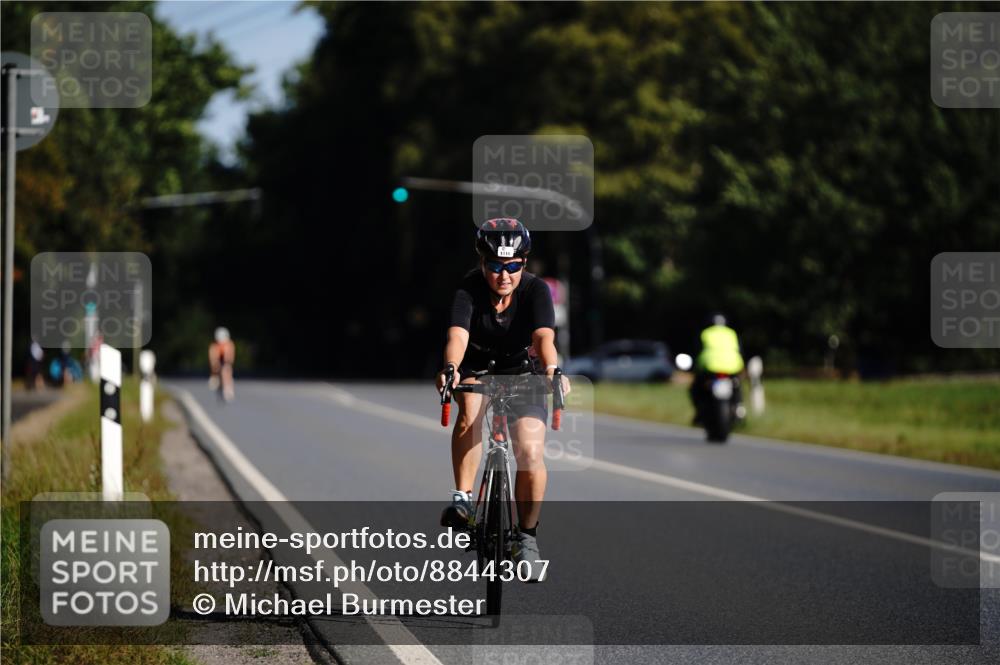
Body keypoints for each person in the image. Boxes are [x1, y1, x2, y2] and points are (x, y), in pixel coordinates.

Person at [436, 217, 569, 582]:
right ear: (482, 263)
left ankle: (526, 536)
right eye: (495, 265)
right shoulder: (468, 289)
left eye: (512, 266)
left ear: (523, 264)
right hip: (477, 368)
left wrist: (552, 369)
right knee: (469, 414)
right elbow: (458, 336)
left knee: (529, 450)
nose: (504, 275)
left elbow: (544, 337)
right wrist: (451, 367)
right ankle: (463, 500)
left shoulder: (536, 290)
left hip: (521, 371)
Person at [690, 313, 745, 422]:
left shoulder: (705, 333)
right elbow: (740, 351)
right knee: (737, 386)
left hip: (710, 367)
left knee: (696, 388)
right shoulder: (731, 333)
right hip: (732, 366)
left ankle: (699, 411)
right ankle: (739, 409)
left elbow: (697, 352)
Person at [209, 327, 236, 401]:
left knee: (227, 370)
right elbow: (213, 356)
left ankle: (228, 388)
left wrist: (228, 363)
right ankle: (214, 377)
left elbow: (230, 356)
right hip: (218, 361)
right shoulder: (214, 345)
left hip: (226, 362)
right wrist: (215, 363)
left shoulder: (229, 344)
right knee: (215, 367)